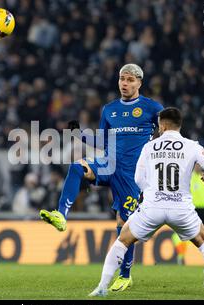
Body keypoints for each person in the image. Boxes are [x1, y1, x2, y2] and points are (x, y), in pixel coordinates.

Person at [89, 108, 204, 297]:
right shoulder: (192, 146)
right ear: (180, 125)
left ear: (162, 125)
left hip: (153, 207)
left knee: (122, 240)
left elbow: (138, 178)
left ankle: (102, 287)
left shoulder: (149, 146)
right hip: (181, 208)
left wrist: (150, 193)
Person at [40, 63, 163, 291]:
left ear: (139, 83)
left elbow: (168, 136)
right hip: (108, 164)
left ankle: (125, 275)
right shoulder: (109, 110)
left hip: (130, 174)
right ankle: (61, 215)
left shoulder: (152, 108)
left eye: (130, 80)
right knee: (77, 167)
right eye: (121, 79)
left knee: (124, 224)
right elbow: (104, 142)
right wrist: (81, 136)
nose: (124, 83)